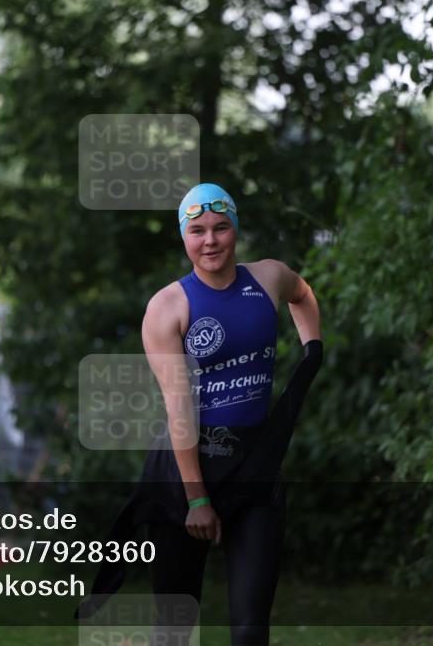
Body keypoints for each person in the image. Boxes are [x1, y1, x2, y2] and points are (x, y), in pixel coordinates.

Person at [77, 184, 323, 646]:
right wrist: (196, 500)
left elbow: (303, 293)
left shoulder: (268, 278)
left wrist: (313, 348)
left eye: (220, 227)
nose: (210, 240)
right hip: (186, 469)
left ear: (235, 230)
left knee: (251, 627)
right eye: (197, 231)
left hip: (255, 469)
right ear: (184, 239)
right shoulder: (168, 307)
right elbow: (179, 407)